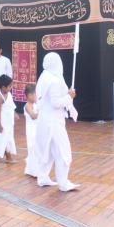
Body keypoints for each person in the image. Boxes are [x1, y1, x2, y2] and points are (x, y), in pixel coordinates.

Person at [35, 52, 79, 192]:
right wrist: (69, 97)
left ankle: (42, 178)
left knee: (48, 151)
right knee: (62, 151)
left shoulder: (45, 76)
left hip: (46, 120)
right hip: (53, 122)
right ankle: (63, 183)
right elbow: (55, 103)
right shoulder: (53, 80)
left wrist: (67, 95)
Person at [0, 75, 18, 162]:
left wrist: (14, 113)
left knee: (9, 138)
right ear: (3, 87)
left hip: (9, 121)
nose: (11, 88)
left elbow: (11, 106)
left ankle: (5, 154)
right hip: (3, 121)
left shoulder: (9, 94)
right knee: (5, 138)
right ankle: (8, 157)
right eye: (10, 86)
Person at [24, 84, 39, 177]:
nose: (36, 96)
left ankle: (36, 169)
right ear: (29, 95)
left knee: (38, 149)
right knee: (33, 148)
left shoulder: (36, 104)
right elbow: (33, 116)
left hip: (38, 129)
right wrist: (42, 112)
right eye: (34, 95)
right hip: (31, 130)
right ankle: (34, 171)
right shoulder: (27, 105)